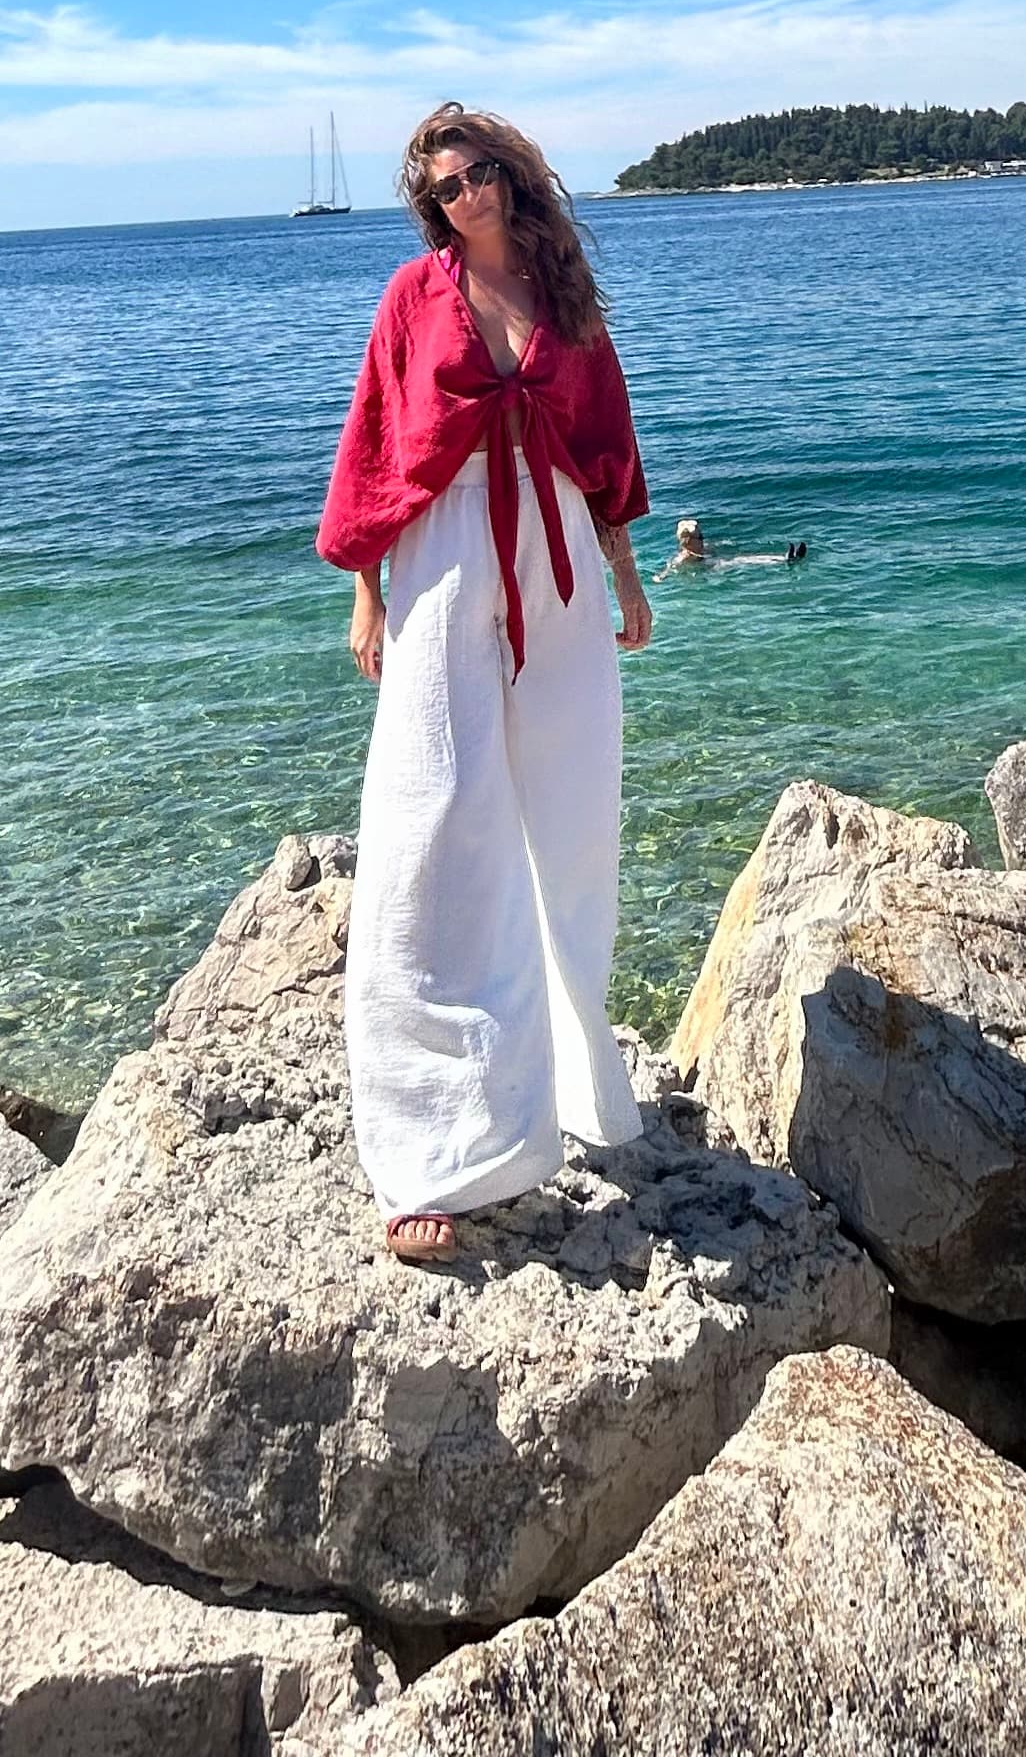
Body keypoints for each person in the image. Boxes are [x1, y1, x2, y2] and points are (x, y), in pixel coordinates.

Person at [318, 103, 655, 1263]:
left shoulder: (566, 299)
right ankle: (430, 1149)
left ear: (512, 178)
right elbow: (373, 432)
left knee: (568, 817)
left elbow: (605, 442)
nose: (464, 197)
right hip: (446, 553)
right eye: (443, 186)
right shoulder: (415, 296)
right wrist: (365, 586)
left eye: (478, 177)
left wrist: (628, 583)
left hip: (557, 549)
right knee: (434, 819)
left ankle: (573, 1087)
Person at [657, 514, 806, 577]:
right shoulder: (684, 558)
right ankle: (784, 560)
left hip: (715, 564)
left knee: (743, 559)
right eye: (700, 537)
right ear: (689, 542)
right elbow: (669, 568)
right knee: (738, 561)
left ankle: (784, 558)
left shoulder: (704, 548)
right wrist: (660, 577)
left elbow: (716, 546)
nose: (703, 540)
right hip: (711, 570)